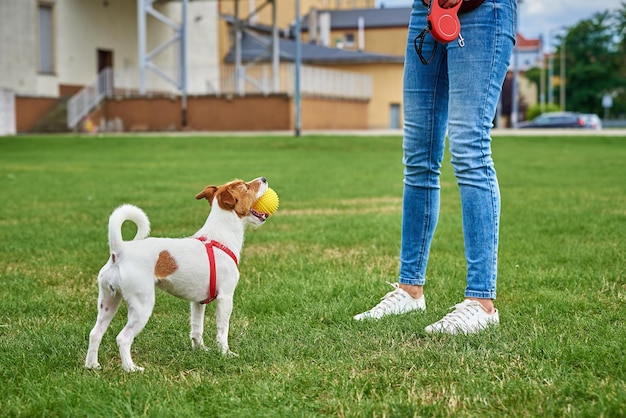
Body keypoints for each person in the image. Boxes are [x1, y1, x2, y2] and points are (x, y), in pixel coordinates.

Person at [354, 0, 517, 334]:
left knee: (469, 145)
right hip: (426, 9)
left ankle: (481, 302)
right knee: (418, 155)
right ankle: (410, 290)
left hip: (484, 9)